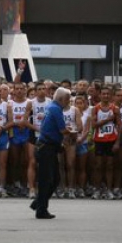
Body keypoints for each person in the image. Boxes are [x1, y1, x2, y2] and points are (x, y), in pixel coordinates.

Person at [30, 87, 71, 219]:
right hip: (46, 147)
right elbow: (63, 130)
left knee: (54, 179)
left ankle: (39, 202)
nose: (68, 102)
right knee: (46, 180)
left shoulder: (51, 107)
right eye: (67, 99)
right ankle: (41, 209)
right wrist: (71, 133)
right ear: (61, 99)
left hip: (48, 146)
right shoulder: (56, 109)